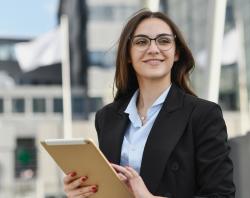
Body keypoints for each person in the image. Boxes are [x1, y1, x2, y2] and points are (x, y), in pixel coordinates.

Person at [63, 9, 236, 198]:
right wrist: (84, 192)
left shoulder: (203, 115)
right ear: (128, 54)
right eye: (141, 42)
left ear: (176, 52)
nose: (153, 49)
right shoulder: (106, 117)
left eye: (164, 41)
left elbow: (222, 195)